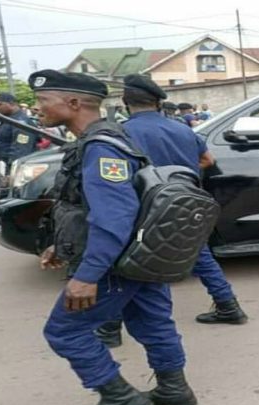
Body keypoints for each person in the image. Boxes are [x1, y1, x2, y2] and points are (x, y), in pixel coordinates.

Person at [29, 69, 197, 405]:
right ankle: (175, 389)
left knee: (65, 331)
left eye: (43, 100)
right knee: (152, 322)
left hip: (114, 261)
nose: (37, 107)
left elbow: (114, 218)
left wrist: (87, 275)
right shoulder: (105, 138)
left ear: (73, 103)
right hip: (137, 254)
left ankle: (118, 396)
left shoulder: (102, 147)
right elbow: (86, 205)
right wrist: (61, 243)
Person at [93, 74, 248, 347]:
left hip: (142, 210)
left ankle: (109, 329)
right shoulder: (183, 129)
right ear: (157, 102)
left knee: (121, 263)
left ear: (126, 103)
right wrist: (179, 172)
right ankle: (228, 306)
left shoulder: (121, 133)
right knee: (200, 255)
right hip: (183, 205)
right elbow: (207, 160)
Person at [0, 92, 38, 182]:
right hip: (9, 163)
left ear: (11, 103)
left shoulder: (20, 122)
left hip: (19, 167)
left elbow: (21, 149)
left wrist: (12, 173)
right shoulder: (9, 119)